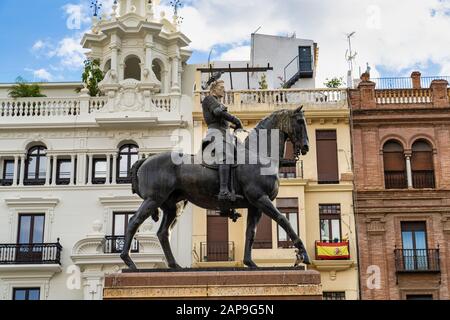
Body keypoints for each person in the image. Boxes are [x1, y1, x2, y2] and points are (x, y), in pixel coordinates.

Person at [201, 79, 243, 202]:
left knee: (239, 157)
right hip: (215, 134)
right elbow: (218, 112)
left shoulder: (217, 102)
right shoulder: (209, 99)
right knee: (226, 156)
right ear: (214, 89)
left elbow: (222, 122)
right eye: (221, 87)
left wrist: (233, 126)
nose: (223, 89)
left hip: (225, 134)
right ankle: (223, 191)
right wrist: (236, 120)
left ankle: (234, 189)